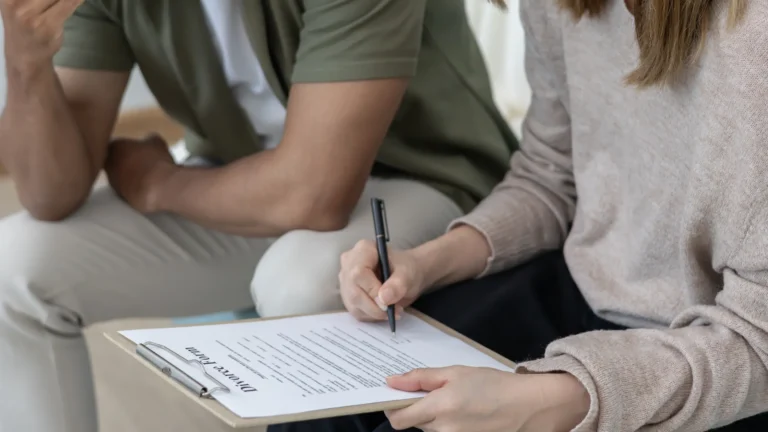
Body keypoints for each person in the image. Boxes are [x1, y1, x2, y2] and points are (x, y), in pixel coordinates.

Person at [0, 0, 517, 431]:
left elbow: (315, 194)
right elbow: (50, 195)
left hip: (418, 178)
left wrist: (162, 185)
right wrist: (26, 63)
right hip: (239, 181)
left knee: (301, 283)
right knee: (14, 265)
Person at [270, 0, 768, 431]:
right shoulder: (565, 6)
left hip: (712, 359)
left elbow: (759, 340)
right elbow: (549, 177)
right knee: (326, 410)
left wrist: (561, 398)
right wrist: (425, 263)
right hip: (579, 290)